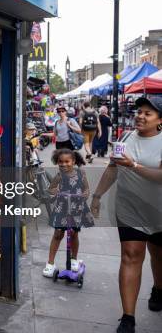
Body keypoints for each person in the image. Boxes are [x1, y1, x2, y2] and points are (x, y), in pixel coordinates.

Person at [90, 96, 162, 333]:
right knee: (131, 254)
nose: (140, 116)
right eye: (139, 111)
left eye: (148, 113)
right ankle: (128, 318)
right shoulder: (125, 137)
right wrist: (97, 196)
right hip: (130, 207)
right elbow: (113, 168)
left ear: (160, 120)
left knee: (158, 253)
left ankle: (158, 289)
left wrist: (134, 166)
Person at [42, 149, 94, 277]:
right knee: (58, 234)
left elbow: (86, 189)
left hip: (77, 208)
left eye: (67, 161)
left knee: (74, 234)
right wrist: (57, 192)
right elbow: (51, 189)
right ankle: (50, 263)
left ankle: (74, 259)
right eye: (60, 162)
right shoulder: (59, 175)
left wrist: (84, 195)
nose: (64, 164)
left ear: (74, 161)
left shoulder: (81, 173)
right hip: (62, 209)